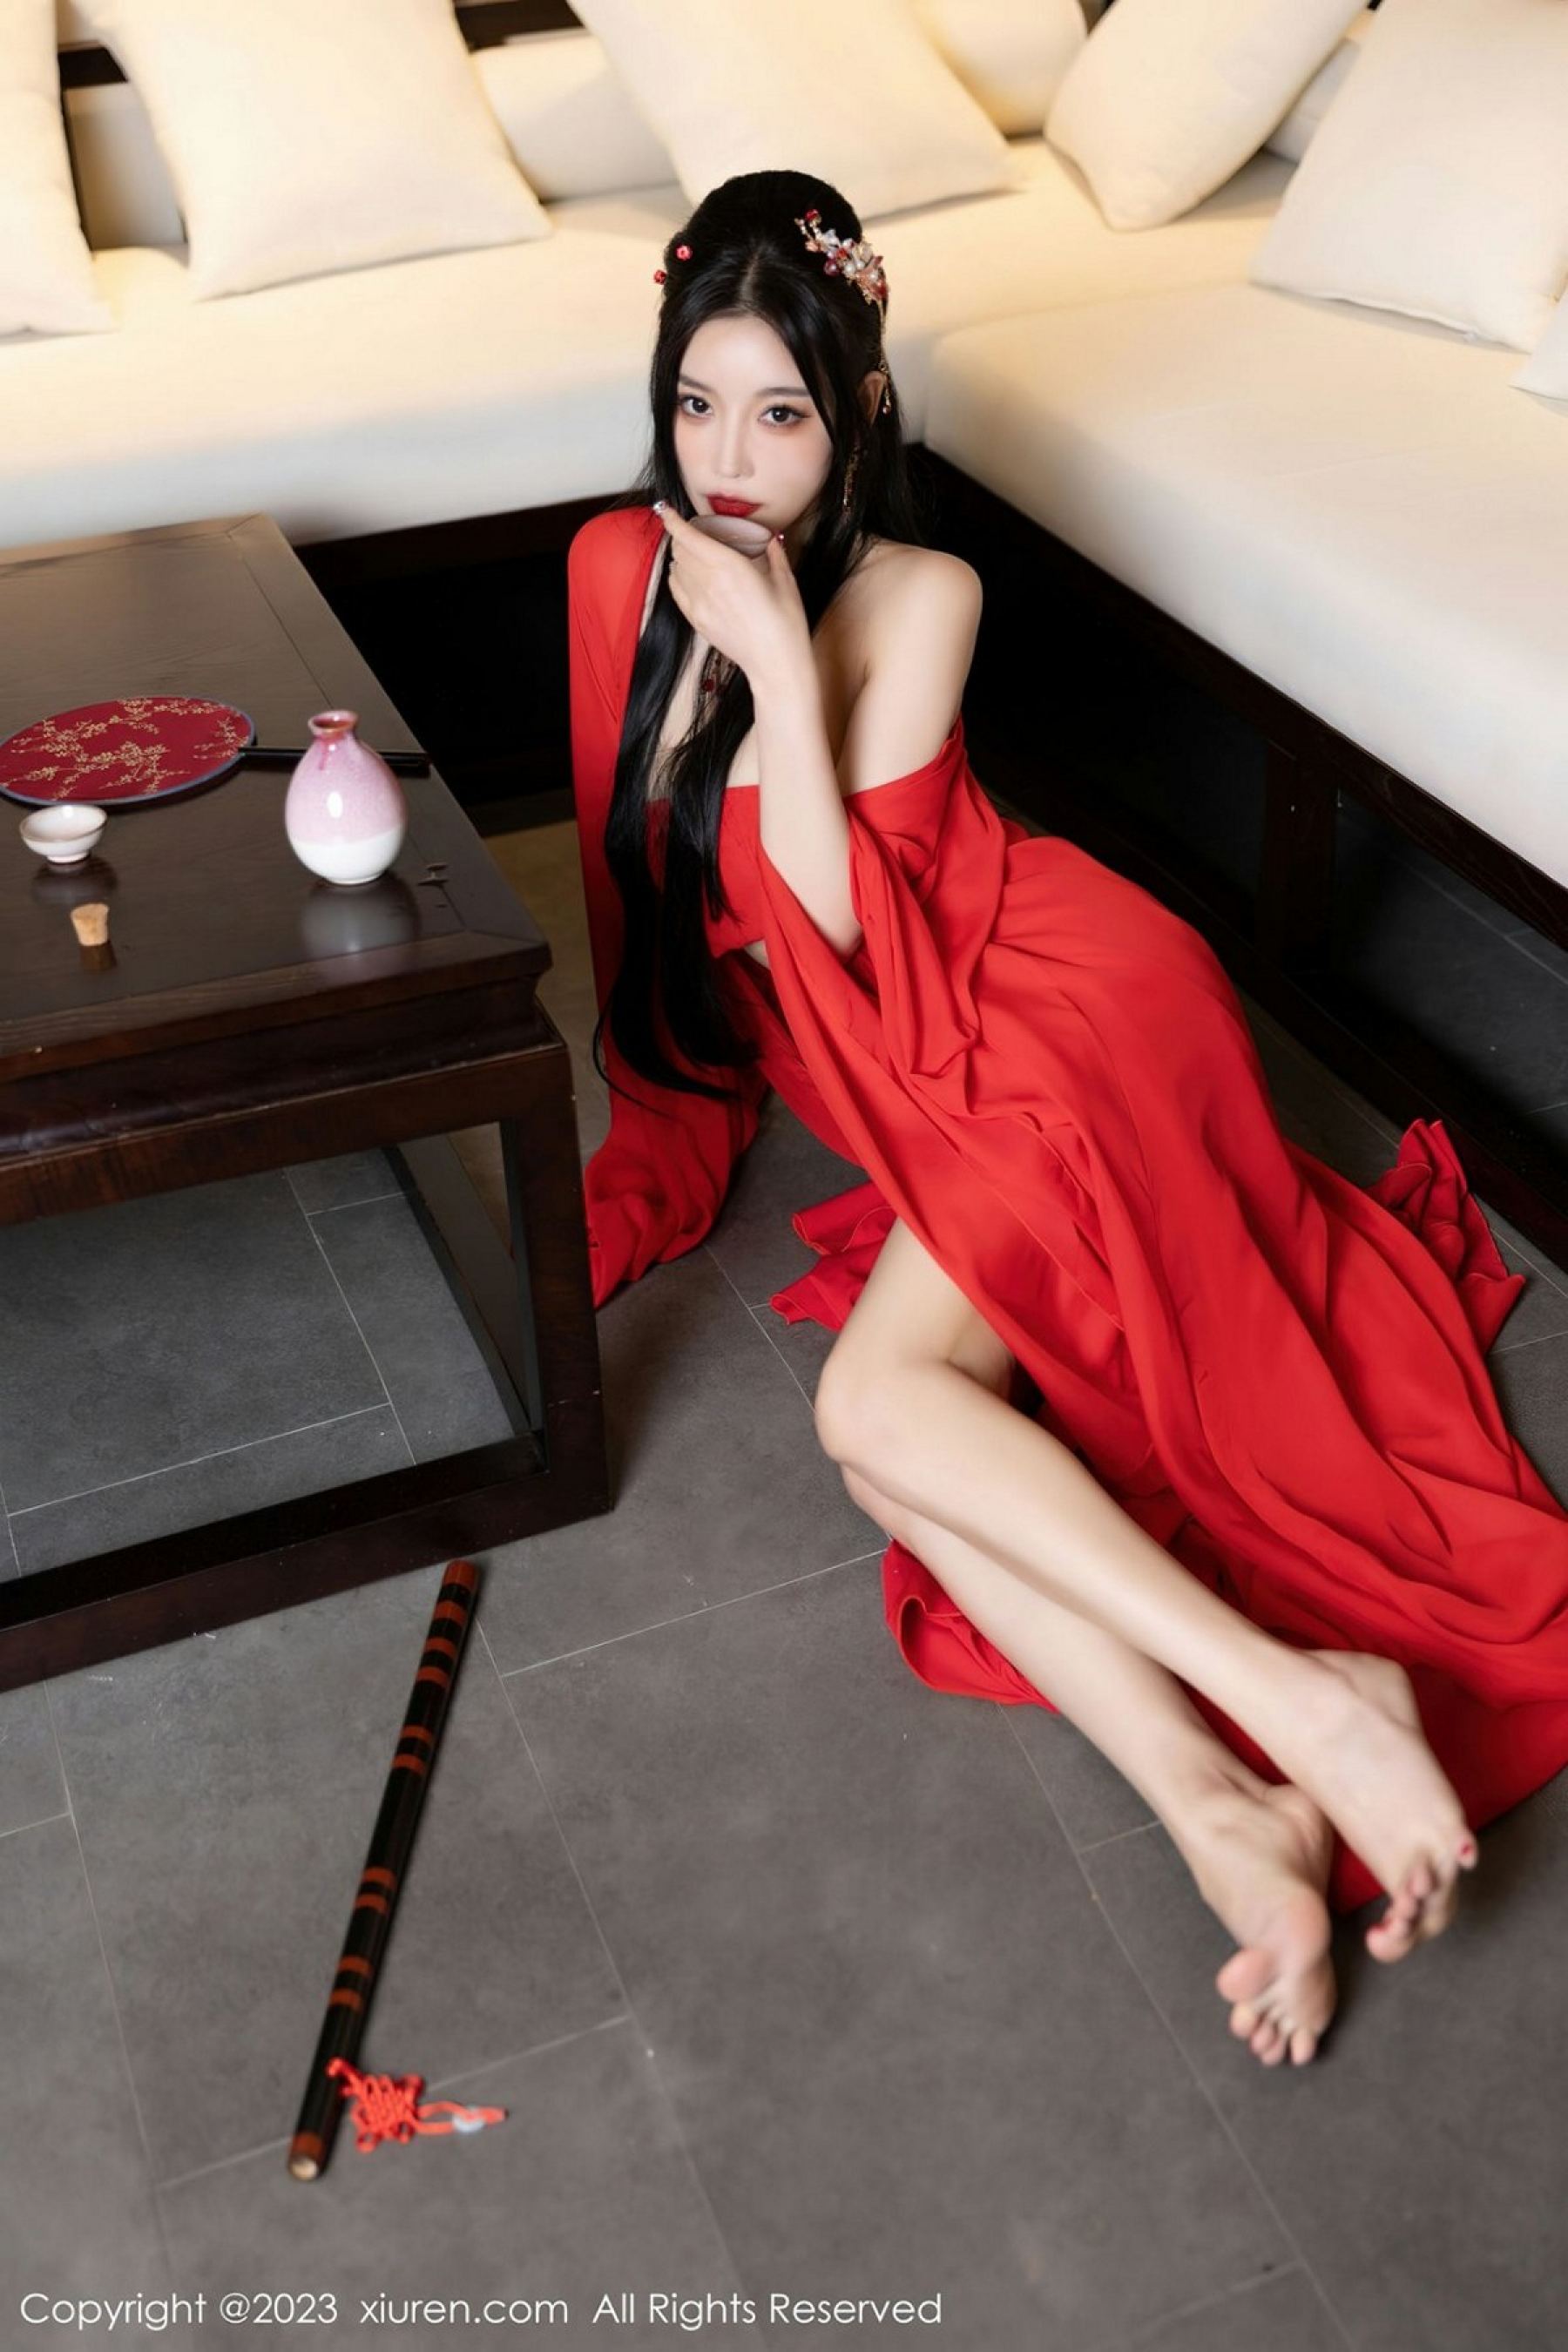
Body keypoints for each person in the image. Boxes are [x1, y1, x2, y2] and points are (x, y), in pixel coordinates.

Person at [565, 167, 1568, 2071]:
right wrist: (661, 1110)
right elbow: (648, 901)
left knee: (873, 1412)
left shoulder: (920, 593)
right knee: (903, 1462)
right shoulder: (630, 569)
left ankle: (1315, 1703)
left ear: (861, 408)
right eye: (697, 404)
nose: (731, 462)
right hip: (912, 1064)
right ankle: (1227, 1814)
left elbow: (839, 926)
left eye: (782, 413)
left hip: (1044, 1019)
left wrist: (775, 662)